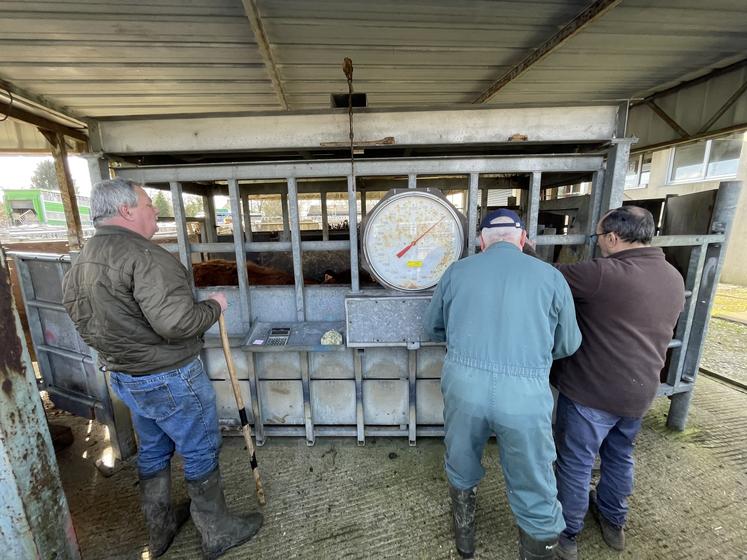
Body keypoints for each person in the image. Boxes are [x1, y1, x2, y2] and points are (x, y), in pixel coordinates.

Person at [62, 178, 262, 559]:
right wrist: (215, 305)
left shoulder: (83, 260)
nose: (155, 210)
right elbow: (176, 324)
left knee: (154, 449)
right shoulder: (147, 257)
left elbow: (80, 318)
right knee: (200, 448)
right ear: (126, 210)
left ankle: (161, 526)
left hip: (124, 376)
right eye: (148, 204)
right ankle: (217, 531)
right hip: (172, 377)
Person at [424, 209, 582, 560]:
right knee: (534, 476)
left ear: (481, 241)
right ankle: (540, 546)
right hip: (525, 394)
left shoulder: (457, 272)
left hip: (464, 385)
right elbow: (568, 343)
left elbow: (433, 327)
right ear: (523, 239)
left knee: (461, 460)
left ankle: (465, 543)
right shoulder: (551, 277)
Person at [550, 206, 685, 560]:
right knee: (620, 456)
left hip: (591, 392)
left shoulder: (603, 273)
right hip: (640, 392)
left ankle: (567, 534)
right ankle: (613, 521)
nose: (597, 243)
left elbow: (545, 276)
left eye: (597, 236)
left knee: (575, 463)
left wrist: (525, 248)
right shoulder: (673, 276)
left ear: (612, 238)